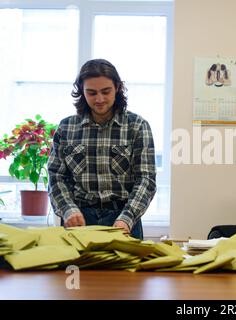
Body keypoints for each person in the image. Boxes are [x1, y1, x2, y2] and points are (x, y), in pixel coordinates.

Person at [48, 59, 156, 240]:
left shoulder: (137, 126)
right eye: (91, 93)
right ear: (82, 92)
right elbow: (56, 176)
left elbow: (146, 179)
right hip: (79, 220)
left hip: (124, 219)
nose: (99, 99)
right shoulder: (66, 128)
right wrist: (68, 209)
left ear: (118, 88)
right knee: (77, 269)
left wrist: (127, 218)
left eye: (106, 92)